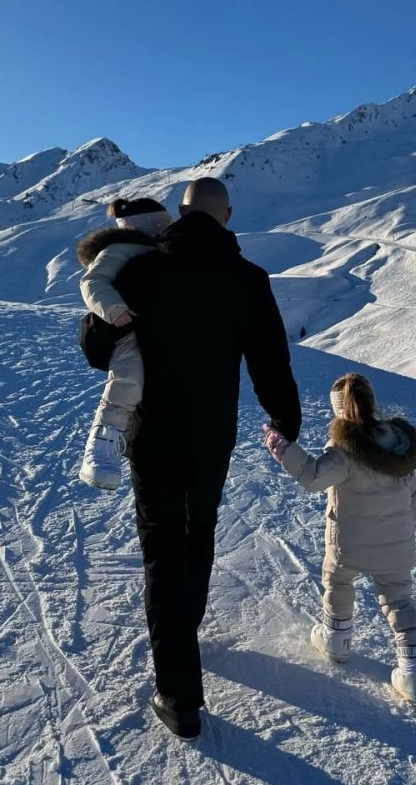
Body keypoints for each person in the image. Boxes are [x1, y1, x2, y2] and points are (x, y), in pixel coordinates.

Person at [115, 177, 301, 739]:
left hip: (151, 429)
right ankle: (183, 631)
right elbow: (270, 357)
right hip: (212, 431)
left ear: (180, 212)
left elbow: (96, 347)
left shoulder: (142, 270)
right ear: (228, 216)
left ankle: (177, 693)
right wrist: (284, 420)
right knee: (199, 531)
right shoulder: (247, 277)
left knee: (162, 544)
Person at [264, 372, 416, 704]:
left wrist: (283, 450)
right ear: (373, 402)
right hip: (397, 547)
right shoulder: (400, 445)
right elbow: (414, 499)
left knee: (338, 580)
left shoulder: (344, 451)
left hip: (350, 545)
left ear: (339, 410)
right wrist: (402, 531)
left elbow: (313, 476)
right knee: (399, 600)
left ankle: (336, 638)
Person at [76, 197, 173, 489]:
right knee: (130, 373)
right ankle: (102, 440)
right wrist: (115, 310)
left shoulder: (162, 250)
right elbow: (92, 282)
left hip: (152, 326)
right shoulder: (119, 249)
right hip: (128, 327)